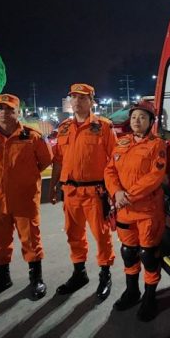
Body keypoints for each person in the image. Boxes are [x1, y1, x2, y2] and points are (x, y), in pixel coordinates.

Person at [0, 94, 53, 303]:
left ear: (18, 112)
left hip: (25, 199)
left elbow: (45, 161)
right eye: (0, 108)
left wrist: (23, 177)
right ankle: (2, 278)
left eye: (10, 109)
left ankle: (36, 279)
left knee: (31, 239)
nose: (4, 113)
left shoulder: (32, 137)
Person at [49, 83, 116, 299]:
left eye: (82, 97)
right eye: (74, 97)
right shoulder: (64, 128)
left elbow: (115, 160)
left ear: (92, 102)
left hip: (95, 192)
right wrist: (53, 186)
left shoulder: (103, 127)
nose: (77, 101)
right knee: (73, 234)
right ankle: (79, 273)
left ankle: (105, 274)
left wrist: (114, 190)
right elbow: (58, 160)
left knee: (101, 235)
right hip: (70, 192)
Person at [104, 99, 167, 321]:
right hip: (124, 210)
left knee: (148, 255)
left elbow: (155, 176)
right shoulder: (122, 143)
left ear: (151, 121)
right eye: (133, 117)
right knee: (128, 252)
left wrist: (127, 196)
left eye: (142, 117)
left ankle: (150, 297)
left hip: (147, 210)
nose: (136, 121)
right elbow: (109, 170)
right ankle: (132, 291)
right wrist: (116, 193)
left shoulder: (157, 145)